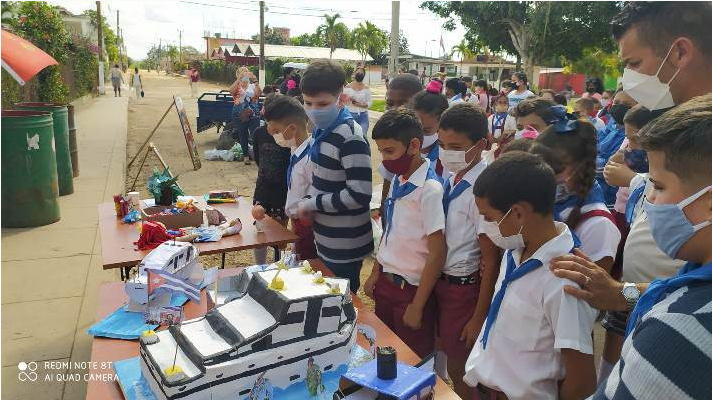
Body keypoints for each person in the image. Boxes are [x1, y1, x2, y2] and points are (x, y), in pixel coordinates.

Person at [552, 94, 712, 399]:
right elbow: (666, 289)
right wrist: (620, 293)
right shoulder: (695, 282)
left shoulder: (677, 333)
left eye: (658, 186)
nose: (648, 199)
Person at [465, 151, 598, 400]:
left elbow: (581, 381)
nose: (485, 226)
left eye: (489, 218)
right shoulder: (515, 250)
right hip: (488, 387)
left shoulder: (564, 279)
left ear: (518, 213)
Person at [364, 107, 446, 359]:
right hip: (387, 284)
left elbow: (437, 252)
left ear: (413, 145)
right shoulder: (400, 180)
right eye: (381, 152)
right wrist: (376, 271)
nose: (386, 159)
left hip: (410, 292)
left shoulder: (429, 189)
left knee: (411, 361)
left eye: (390, 151)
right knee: (385, 350)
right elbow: (391, 232)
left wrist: (418, 305)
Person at [436, 103, 500, 399]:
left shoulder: (482, 190)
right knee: (450, 360)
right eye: (442, 145)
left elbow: (490, 259)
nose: (447, 152)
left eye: (456, 147)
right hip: (444, 283)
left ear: (482, 145)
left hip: (464, 290)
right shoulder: (454, 176)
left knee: (462, 369)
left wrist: (478, 316)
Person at [296, 61, 372, 290]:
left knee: (340, 301)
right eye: (308, 103)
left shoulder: (350, 137)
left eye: (322, 103)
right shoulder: (323, 130)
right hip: (327, 238)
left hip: (345, 245)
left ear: (341, 99)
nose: (314, 110)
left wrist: (313, 204)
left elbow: (359, 194)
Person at [530, 110, 621, 273]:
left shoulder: (599, 225)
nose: (543, 175)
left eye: (556, 168)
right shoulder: (542, 202)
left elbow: (594, 293)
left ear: (582, 167)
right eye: (536, 165)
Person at [259, 95, 318, 261]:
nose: (275, 136)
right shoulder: (295, 150)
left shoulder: (311, 158)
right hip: (297, 223)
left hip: (308, 227)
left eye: (277, 131)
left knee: (307, 266)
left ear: (292, 128)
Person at [250, 94, 291, 264]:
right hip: (263, 189)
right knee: (260, 231)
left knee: (280, 236)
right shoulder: (259, 133)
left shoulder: (286, 136)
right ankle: (260, 266)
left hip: (282, 191)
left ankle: (277, 268)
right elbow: (259, 159)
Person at [596, 89, 638, 207]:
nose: (619, 108)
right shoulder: (611, 125)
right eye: (616, 103)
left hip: (614, 199)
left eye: (627, 105)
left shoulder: (634, 136)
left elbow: (608, 167)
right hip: (604, 195)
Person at [412, 80, 449, 180]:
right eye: (416, 127)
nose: (419, 135)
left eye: (426, 131)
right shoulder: (403, 149)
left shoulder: (446, 159)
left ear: (441, 125)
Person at [230, 67, 262, 165]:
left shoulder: (252, 86)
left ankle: (258, 156)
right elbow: (231, 91)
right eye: (243, 73)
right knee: (243, 134)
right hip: (239, 114)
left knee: (255, 134)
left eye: (247, 72)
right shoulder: (237, 85)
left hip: (253, 113)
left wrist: (255, 80)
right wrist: (239, 79)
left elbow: (259, 93)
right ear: (238, 75)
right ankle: (246, 156)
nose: (246, 74)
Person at [344, 67, 372, 136]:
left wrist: (360, 105)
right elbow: (343, 102)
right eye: (358, 72)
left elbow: (370, 102)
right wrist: (348, 99)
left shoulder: (366, 87)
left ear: (364, 75)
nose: (360, 74)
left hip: (363, 115)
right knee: (350, 136)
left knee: (363, 135)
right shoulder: (348, 87)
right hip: (350, 115)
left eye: (361, 73)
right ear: (354, 74)